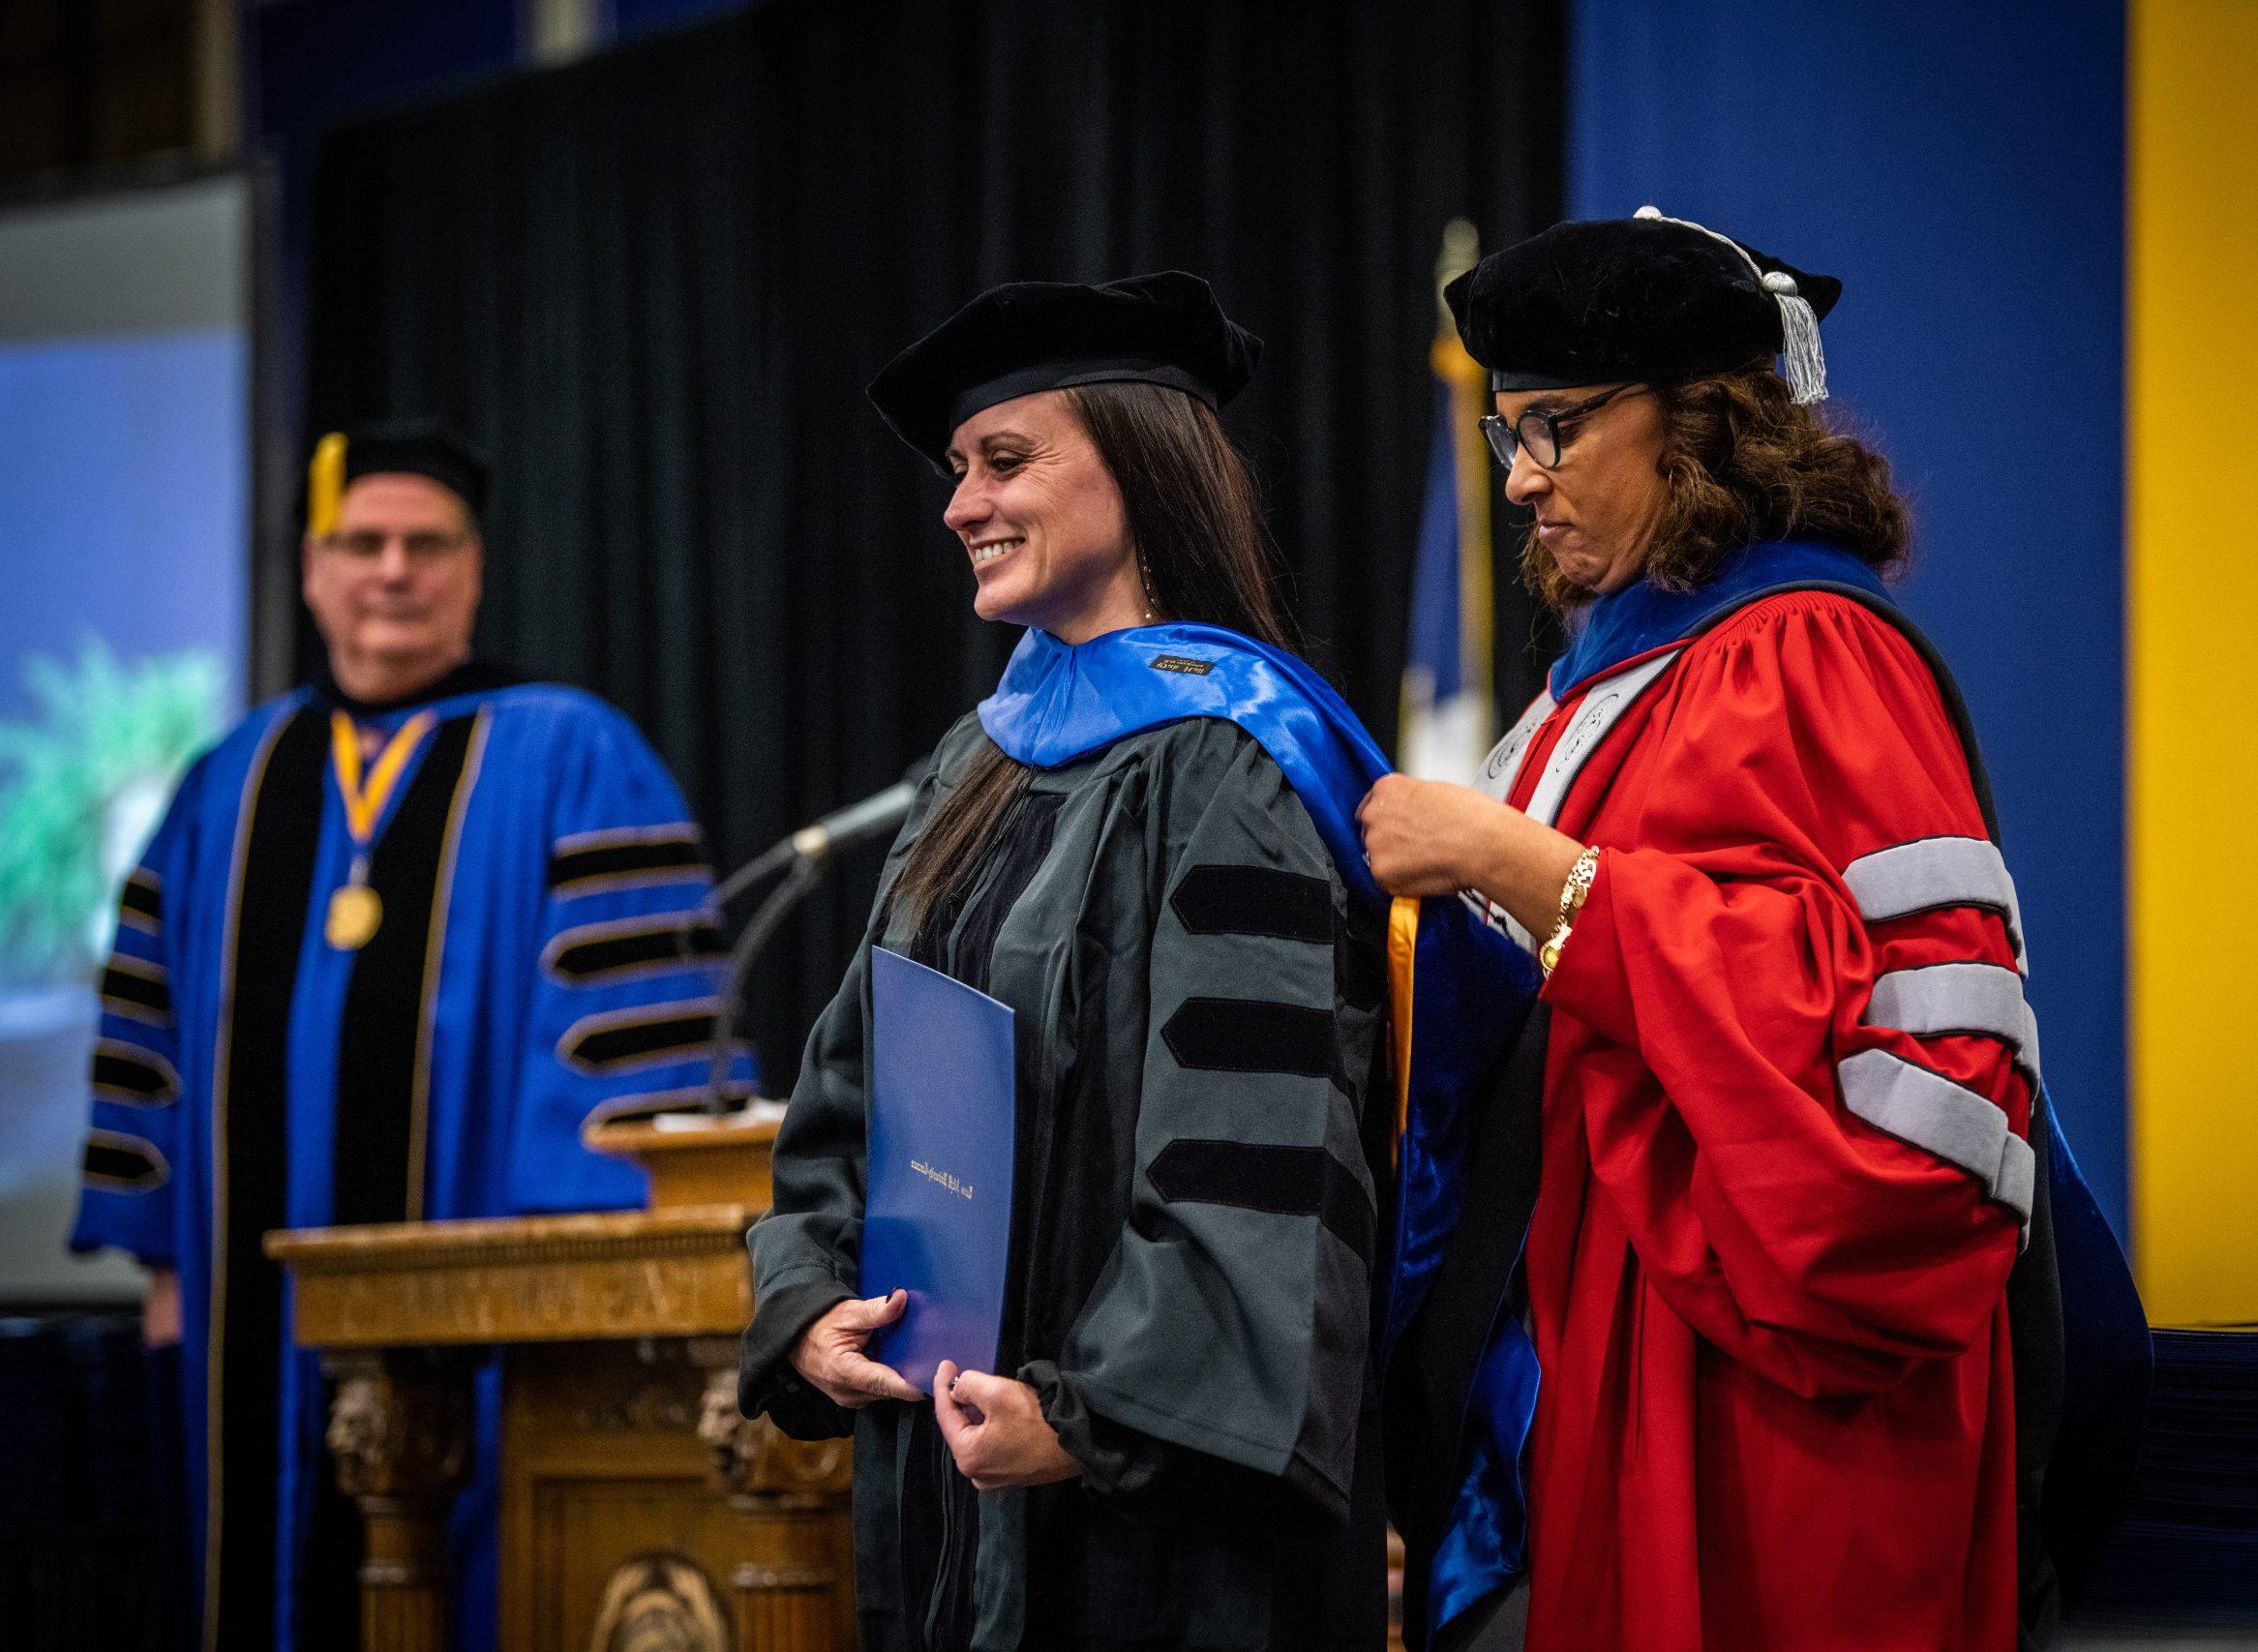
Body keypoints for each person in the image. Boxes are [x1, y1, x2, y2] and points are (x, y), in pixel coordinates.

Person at [1362, 210, 2143, 1651]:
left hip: (1775, 1407)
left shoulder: (1813, 653)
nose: (1525, 481)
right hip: (1600, 1373)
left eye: (1557, 428)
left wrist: (1527, 869)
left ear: (1699, 424)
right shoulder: (1609, 680)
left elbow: (1914, 1054)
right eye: (1507, 436)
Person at [739, 273, 1398, 1650]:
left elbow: (1253, 1155)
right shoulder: (976, 761)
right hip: (954, 1478)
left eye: (1005, 459)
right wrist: (808, 1300)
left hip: (1148, 1529)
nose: (959, 503)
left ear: (1143, 463)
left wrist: (1095, 1416)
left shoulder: (1234, 762)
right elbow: (849, 1081)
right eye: (957, 469)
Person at [70, 419, 755, 1652]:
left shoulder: (571, 753)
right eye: (362, 542)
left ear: (475, 571)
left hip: (486, 1333)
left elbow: (635, 1059)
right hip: (240, 1321)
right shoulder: (228, 778)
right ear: (312, 571)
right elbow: (146, 1043)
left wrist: (582, 1284)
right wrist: (163, 1268)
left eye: (426, 545)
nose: (394, 570)